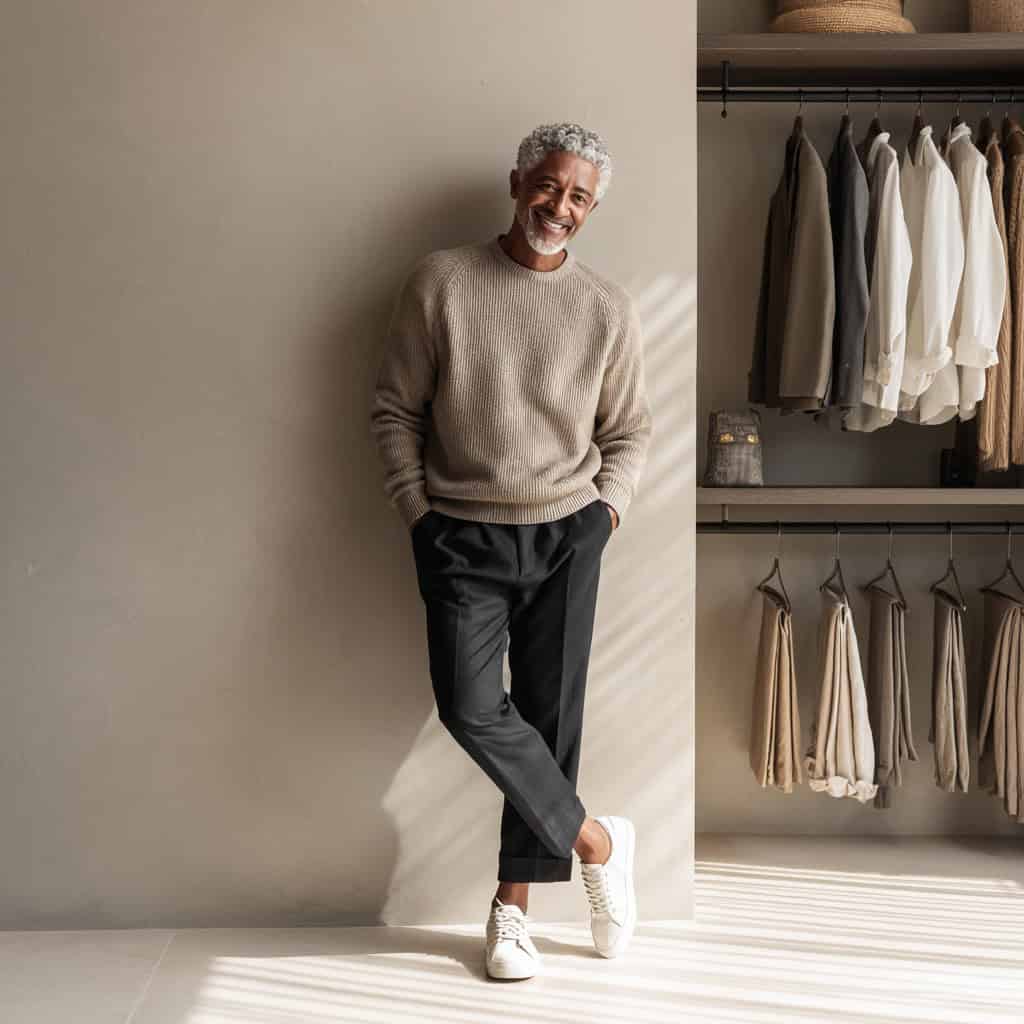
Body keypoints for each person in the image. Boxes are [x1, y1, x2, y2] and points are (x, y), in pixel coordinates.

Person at [370, 121, 654, 980]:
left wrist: (605, 515)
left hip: (569, 532)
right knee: (471, 706)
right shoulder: (443, 283)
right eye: (549, 186)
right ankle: (599, 840)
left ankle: (512, 913)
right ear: (517, 180)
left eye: (578, 198)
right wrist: (421, 515)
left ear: (591, 208)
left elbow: (630, 432)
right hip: (462, 534)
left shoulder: (607, 308)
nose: (559, 207)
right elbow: (395, 412)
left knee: (548, 720)